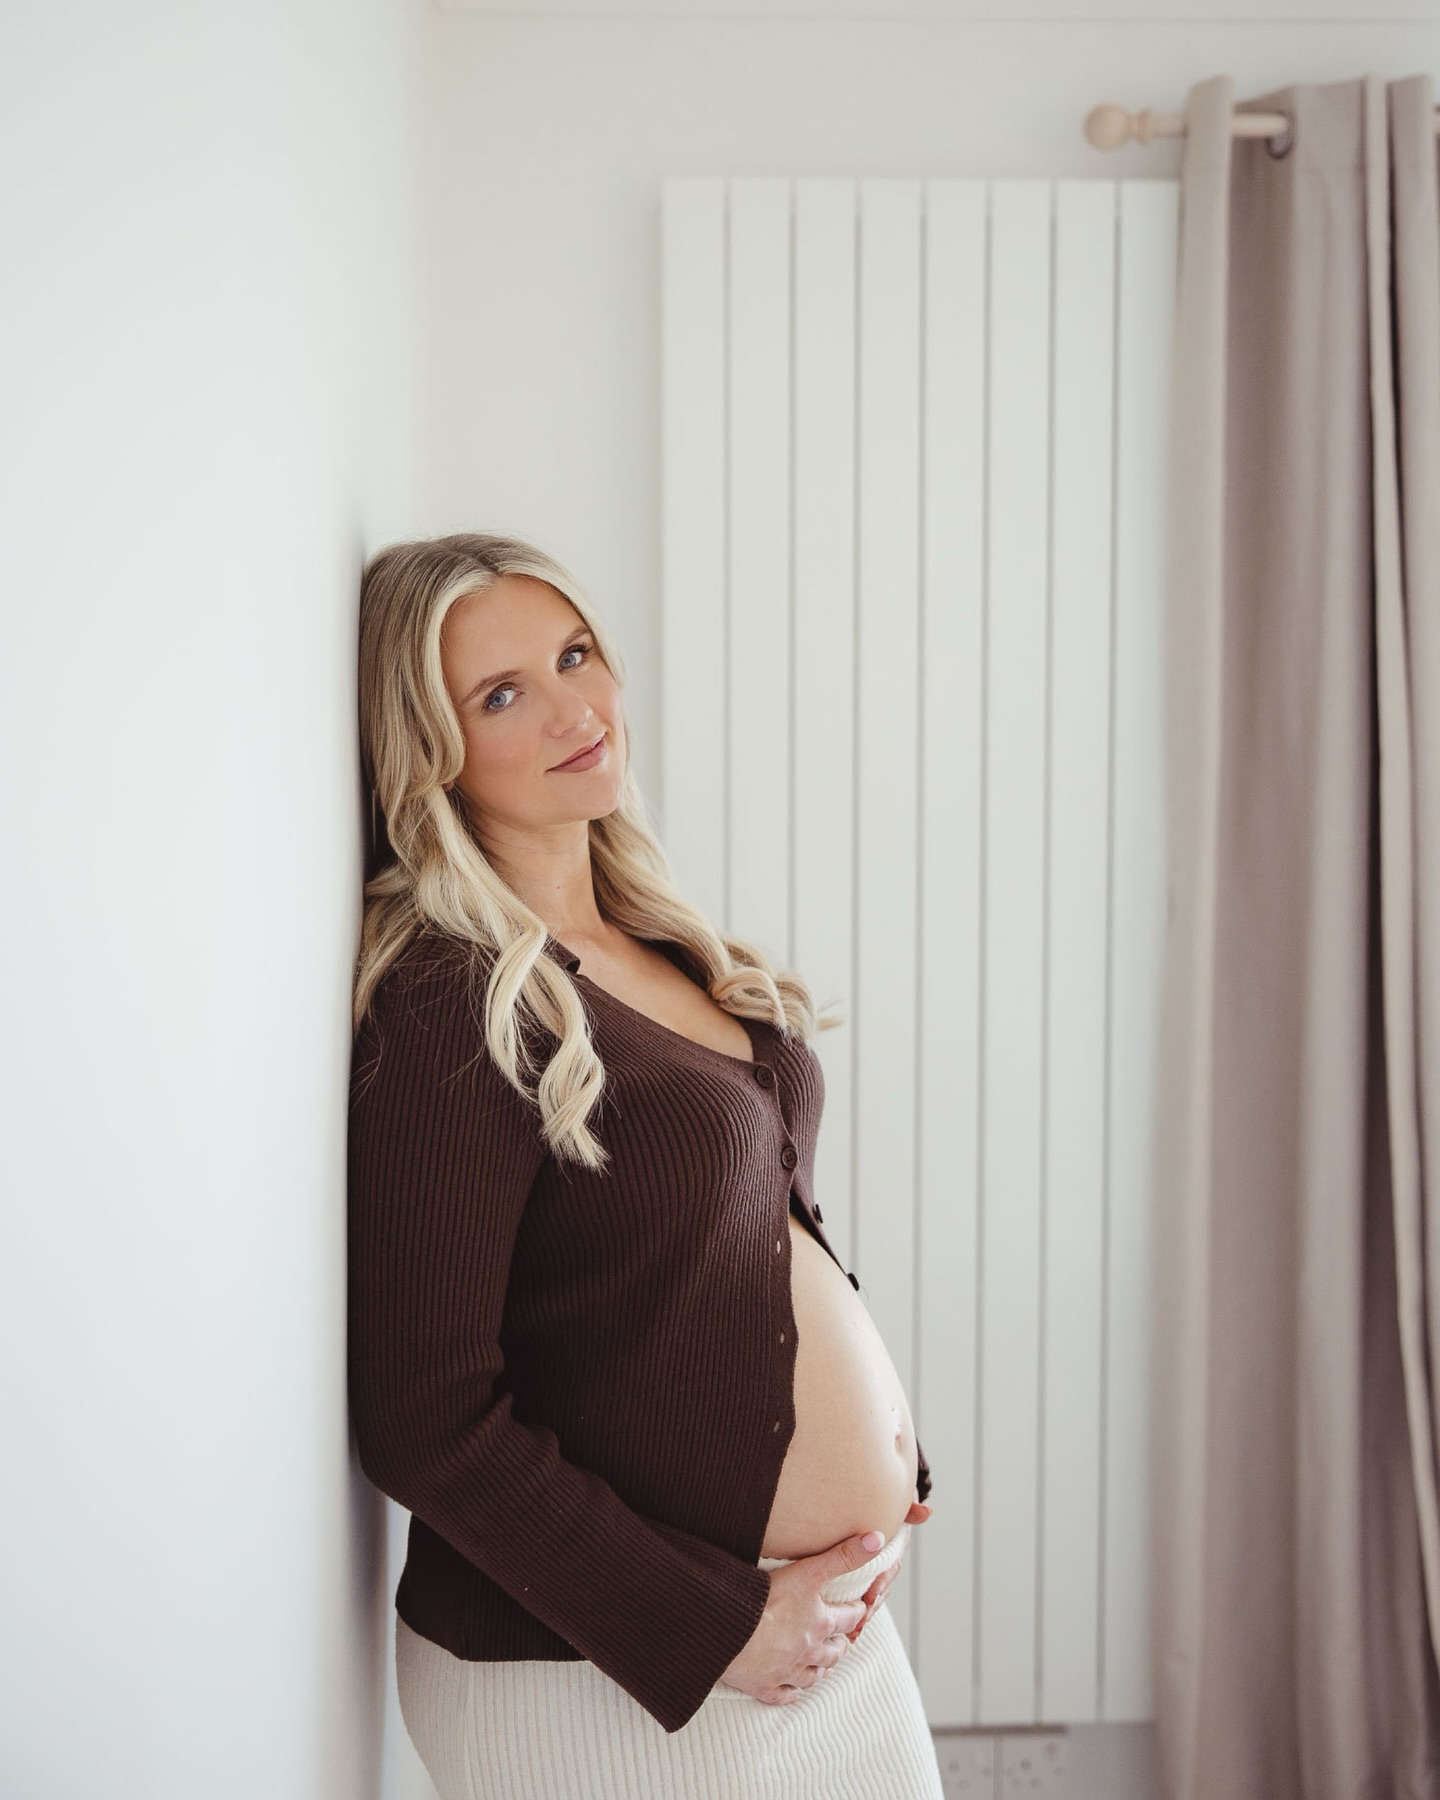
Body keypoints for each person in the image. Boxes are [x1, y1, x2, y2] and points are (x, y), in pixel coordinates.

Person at [347, 532, 944, 1799]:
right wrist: (713, 1624)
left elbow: (732, 1246)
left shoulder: (647, 942)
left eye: (575, 655)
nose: (574, 708)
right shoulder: (453, 997)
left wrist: (878, 1466)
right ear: (428, 749)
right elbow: (422, 1420)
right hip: (609, 1671)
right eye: (501, 694)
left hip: (805, 1634)